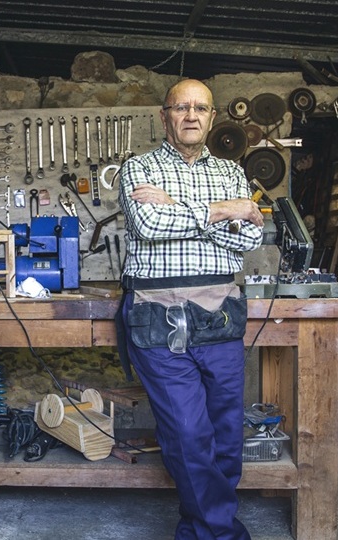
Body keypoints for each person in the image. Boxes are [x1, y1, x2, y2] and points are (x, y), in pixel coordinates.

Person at [117, 79, 264, 540]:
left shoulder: (232, 171)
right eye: (181, 107)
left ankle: (200, 526)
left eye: (200, 108)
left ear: (213, 116)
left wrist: (181, 207)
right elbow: (149, 225)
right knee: (186, 432)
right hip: (157, 317)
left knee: (226, 434)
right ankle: (219, 533)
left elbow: (249, 237)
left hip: (220, 314)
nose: (191, 116)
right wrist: (224, 212)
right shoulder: (137, 168)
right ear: (165, 115)